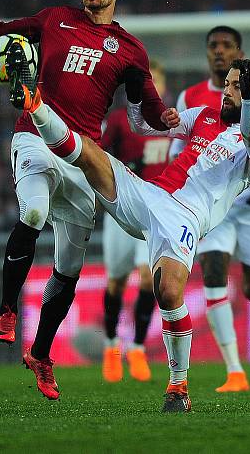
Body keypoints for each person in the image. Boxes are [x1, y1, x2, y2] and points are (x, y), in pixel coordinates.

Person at [0, 0, 167, 401]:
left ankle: (40, 354)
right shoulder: (54, 19)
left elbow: (146, 106)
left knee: (68, 268)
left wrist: (166, 117)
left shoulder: (130, 49)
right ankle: (5, 310)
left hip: (82, 159)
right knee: (33, 211)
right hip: (35, 135)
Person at [9, 50, 250, 412]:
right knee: (90, 154)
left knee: (169, 292)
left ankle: (178, 386)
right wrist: (136, 100)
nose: (226, 92)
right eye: (226, 84)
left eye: (238, 88)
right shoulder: (205, 116)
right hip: (148, 194)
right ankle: (35, 104)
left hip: (185, 219)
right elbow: (146, 127)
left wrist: (249, 104)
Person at [169, 26, 250, 392]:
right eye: (213, 45)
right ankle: (234, 370)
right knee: (213, 273)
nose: (219, 52)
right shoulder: (191, 96)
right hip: (215, 206)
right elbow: (178, 147)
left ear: (239, 52)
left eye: (227, 46)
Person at [99, 60, 171, 383]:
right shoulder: (119, 120)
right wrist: (127, 164)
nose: (151, 86)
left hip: (155, 213)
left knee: (148, 279)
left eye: (156, 80)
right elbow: (99, 156)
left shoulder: (174, 123)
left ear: (164, 87)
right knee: (116, 281)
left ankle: (138, 348)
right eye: (147, 81)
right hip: (121, 209)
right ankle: (112, 345)